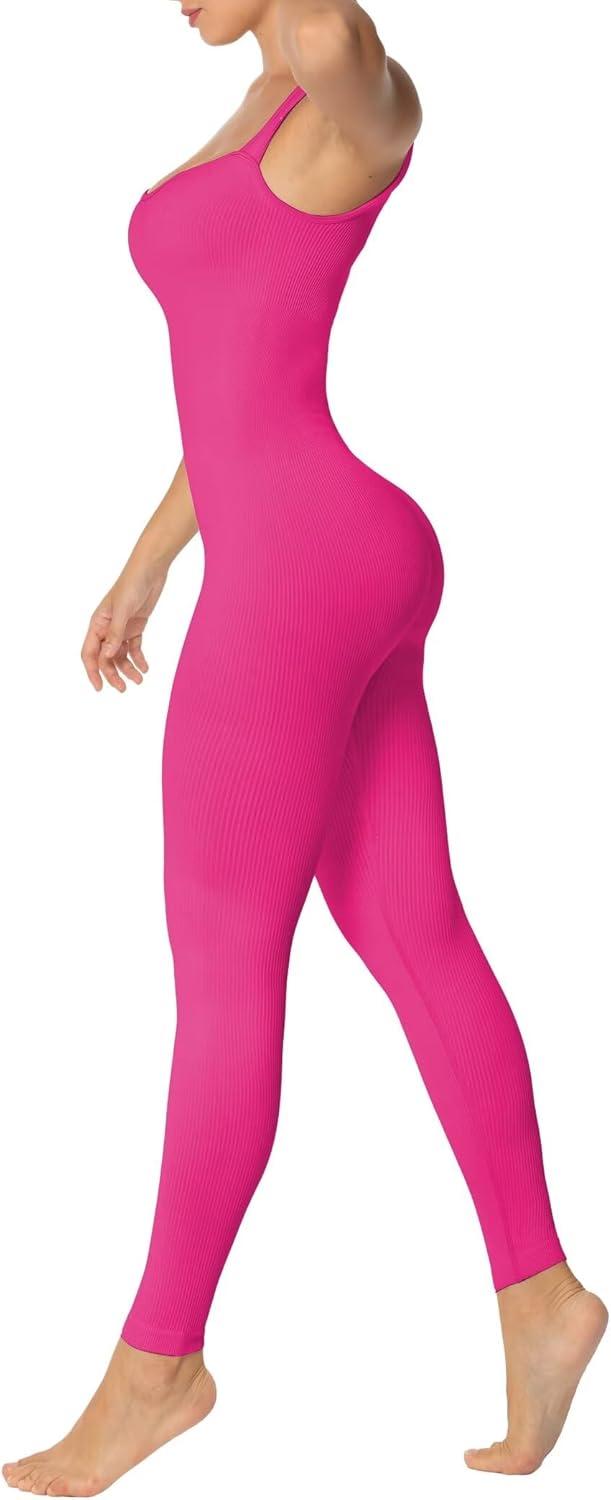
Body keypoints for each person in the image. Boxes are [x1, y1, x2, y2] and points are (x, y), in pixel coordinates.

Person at [3, 1, 606, 1493]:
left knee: (224, 974)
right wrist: (148, 563)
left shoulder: (347, 94)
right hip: (330, 549)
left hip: (293, 581)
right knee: (415, 928)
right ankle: (541, 1295)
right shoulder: (266, 105)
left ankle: (159, 1368)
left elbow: (335, 32)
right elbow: (237, 388)